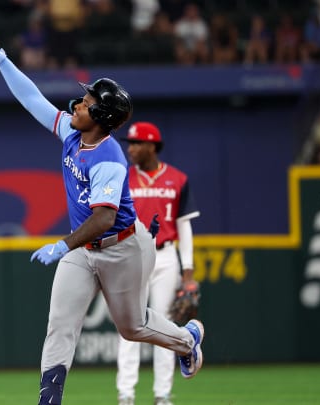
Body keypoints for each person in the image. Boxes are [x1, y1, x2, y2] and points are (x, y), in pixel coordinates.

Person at [0, 24, 204, 405]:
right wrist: (2, 59)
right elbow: (33, 100)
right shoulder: (73, 134)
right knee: (60, 325)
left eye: (87, 101)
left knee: (133, 327)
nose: (77, 104)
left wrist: (61, 245)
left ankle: (186, 339)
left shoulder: (109, 158)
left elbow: (105, 219)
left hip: (123, 247)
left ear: (101, 114)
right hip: (84, 248)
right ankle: (49, 399)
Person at [117, 122, 200, 405]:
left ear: (152, 146)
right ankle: (126, 394)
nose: (131, 149)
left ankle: (162, 394)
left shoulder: (177, 179)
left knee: (164, 325)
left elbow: (184, 227)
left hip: (165, 256)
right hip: (131, 256)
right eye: (130, 143)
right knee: (128, 325)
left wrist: (188, 273)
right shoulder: (122, 178)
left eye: (137, 143)